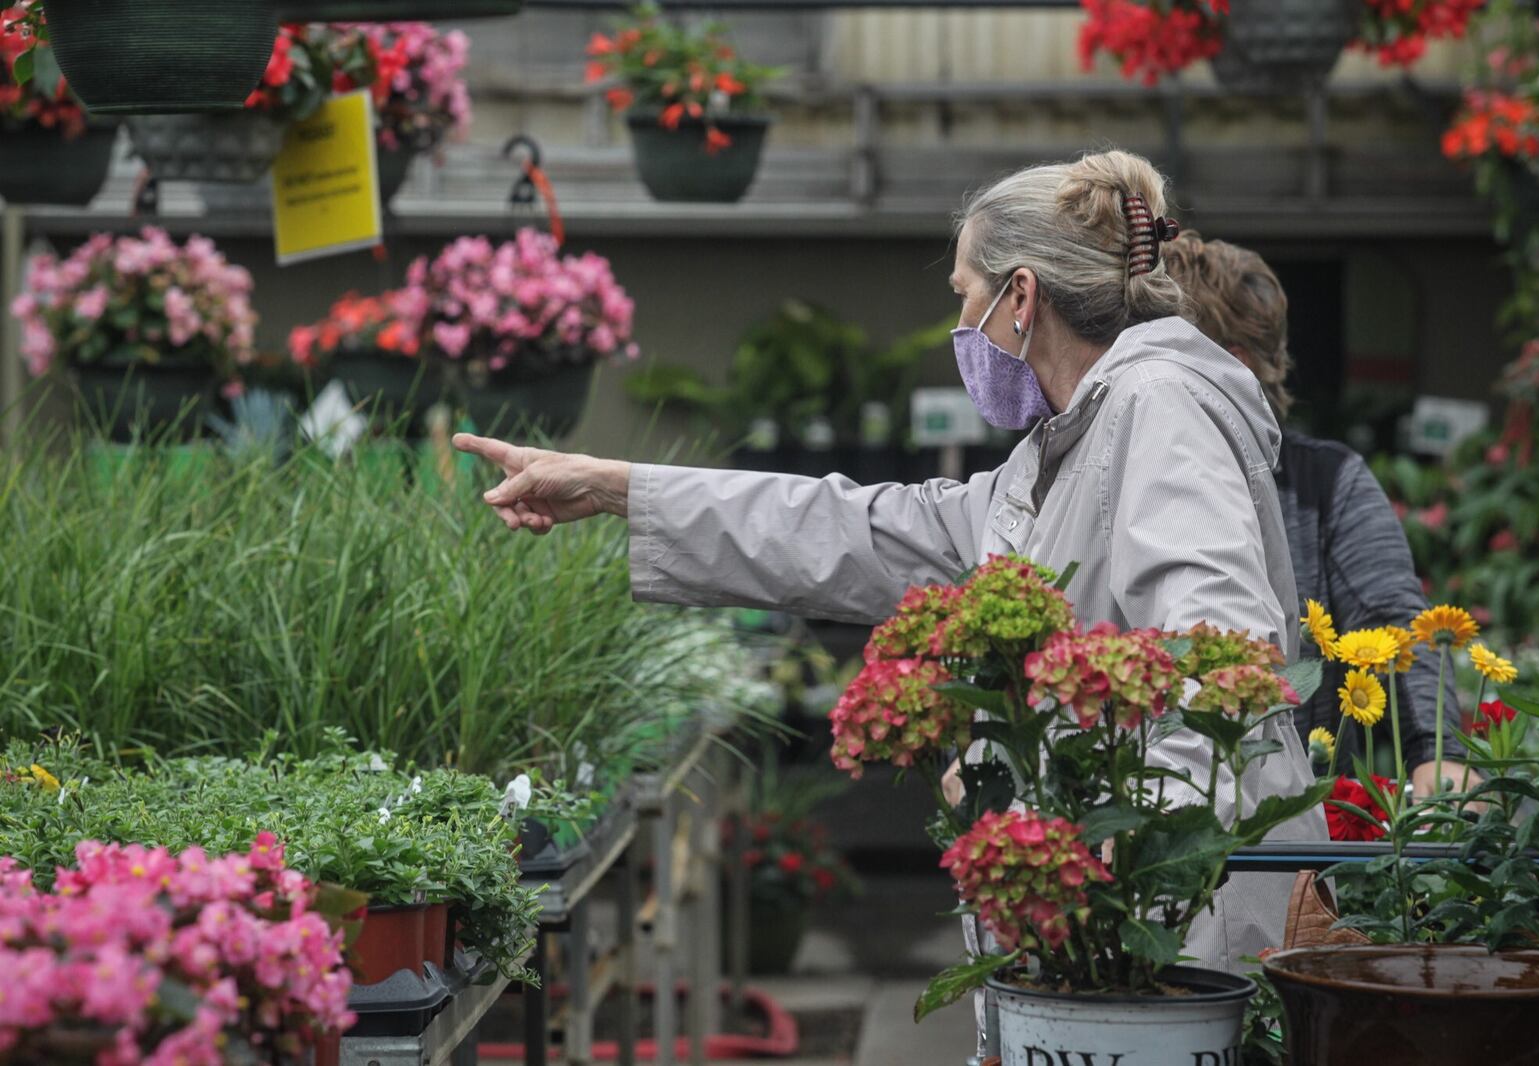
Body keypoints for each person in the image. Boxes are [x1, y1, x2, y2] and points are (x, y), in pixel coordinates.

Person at [455, 148, 1326, 992]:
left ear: (1021, 295)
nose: (961, 327)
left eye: (965, 296)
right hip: (1116, 929)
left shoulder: (1155, 406)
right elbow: (852, 529)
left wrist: (1130, 849)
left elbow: (1223, 651)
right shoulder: (1061, 448)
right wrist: (615, 487)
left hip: (1181, 929)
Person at [1162, 233, 1468, 796]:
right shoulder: (1120, 478)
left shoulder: (1325, 485)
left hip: (1292, 835)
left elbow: (1395, 622)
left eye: (1161, 355)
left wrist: (1436, 755)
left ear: (1231, 368)